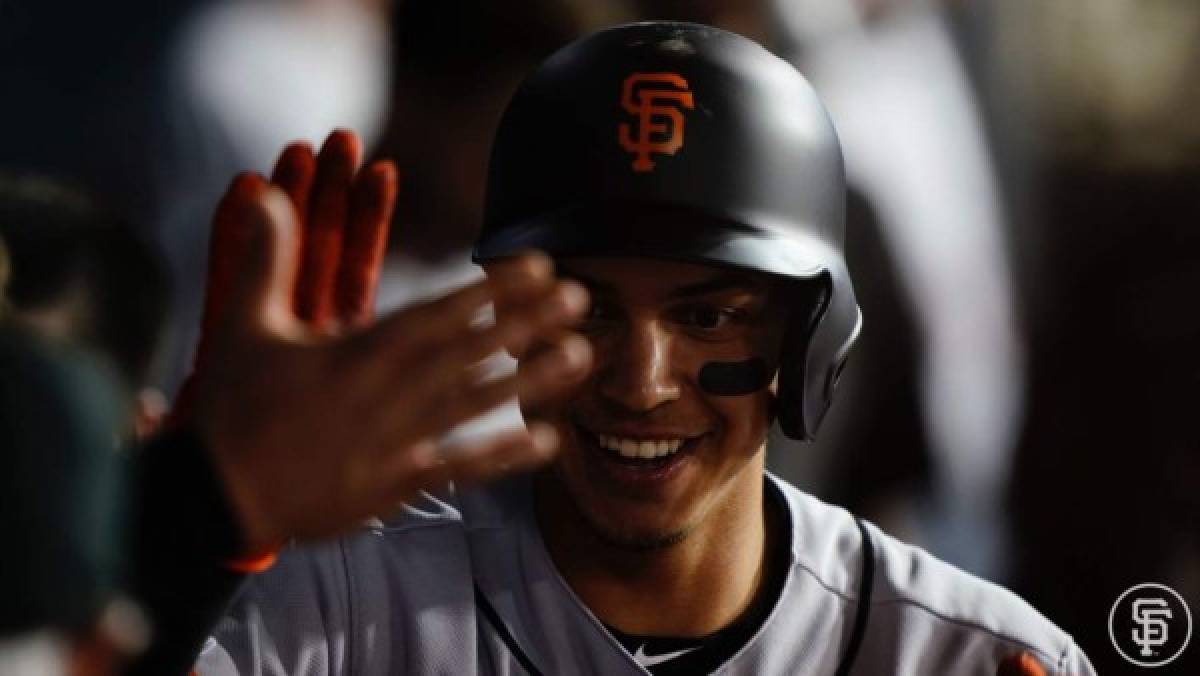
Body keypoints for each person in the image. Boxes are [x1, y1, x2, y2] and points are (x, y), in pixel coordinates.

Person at [194, 23, 1092, 675]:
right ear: (512, 314)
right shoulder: (335, 614)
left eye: (708, 318)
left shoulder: (969, 657)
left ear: (811, 339)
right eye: (589, 310)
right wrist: (196, 519)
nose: (640, 382)